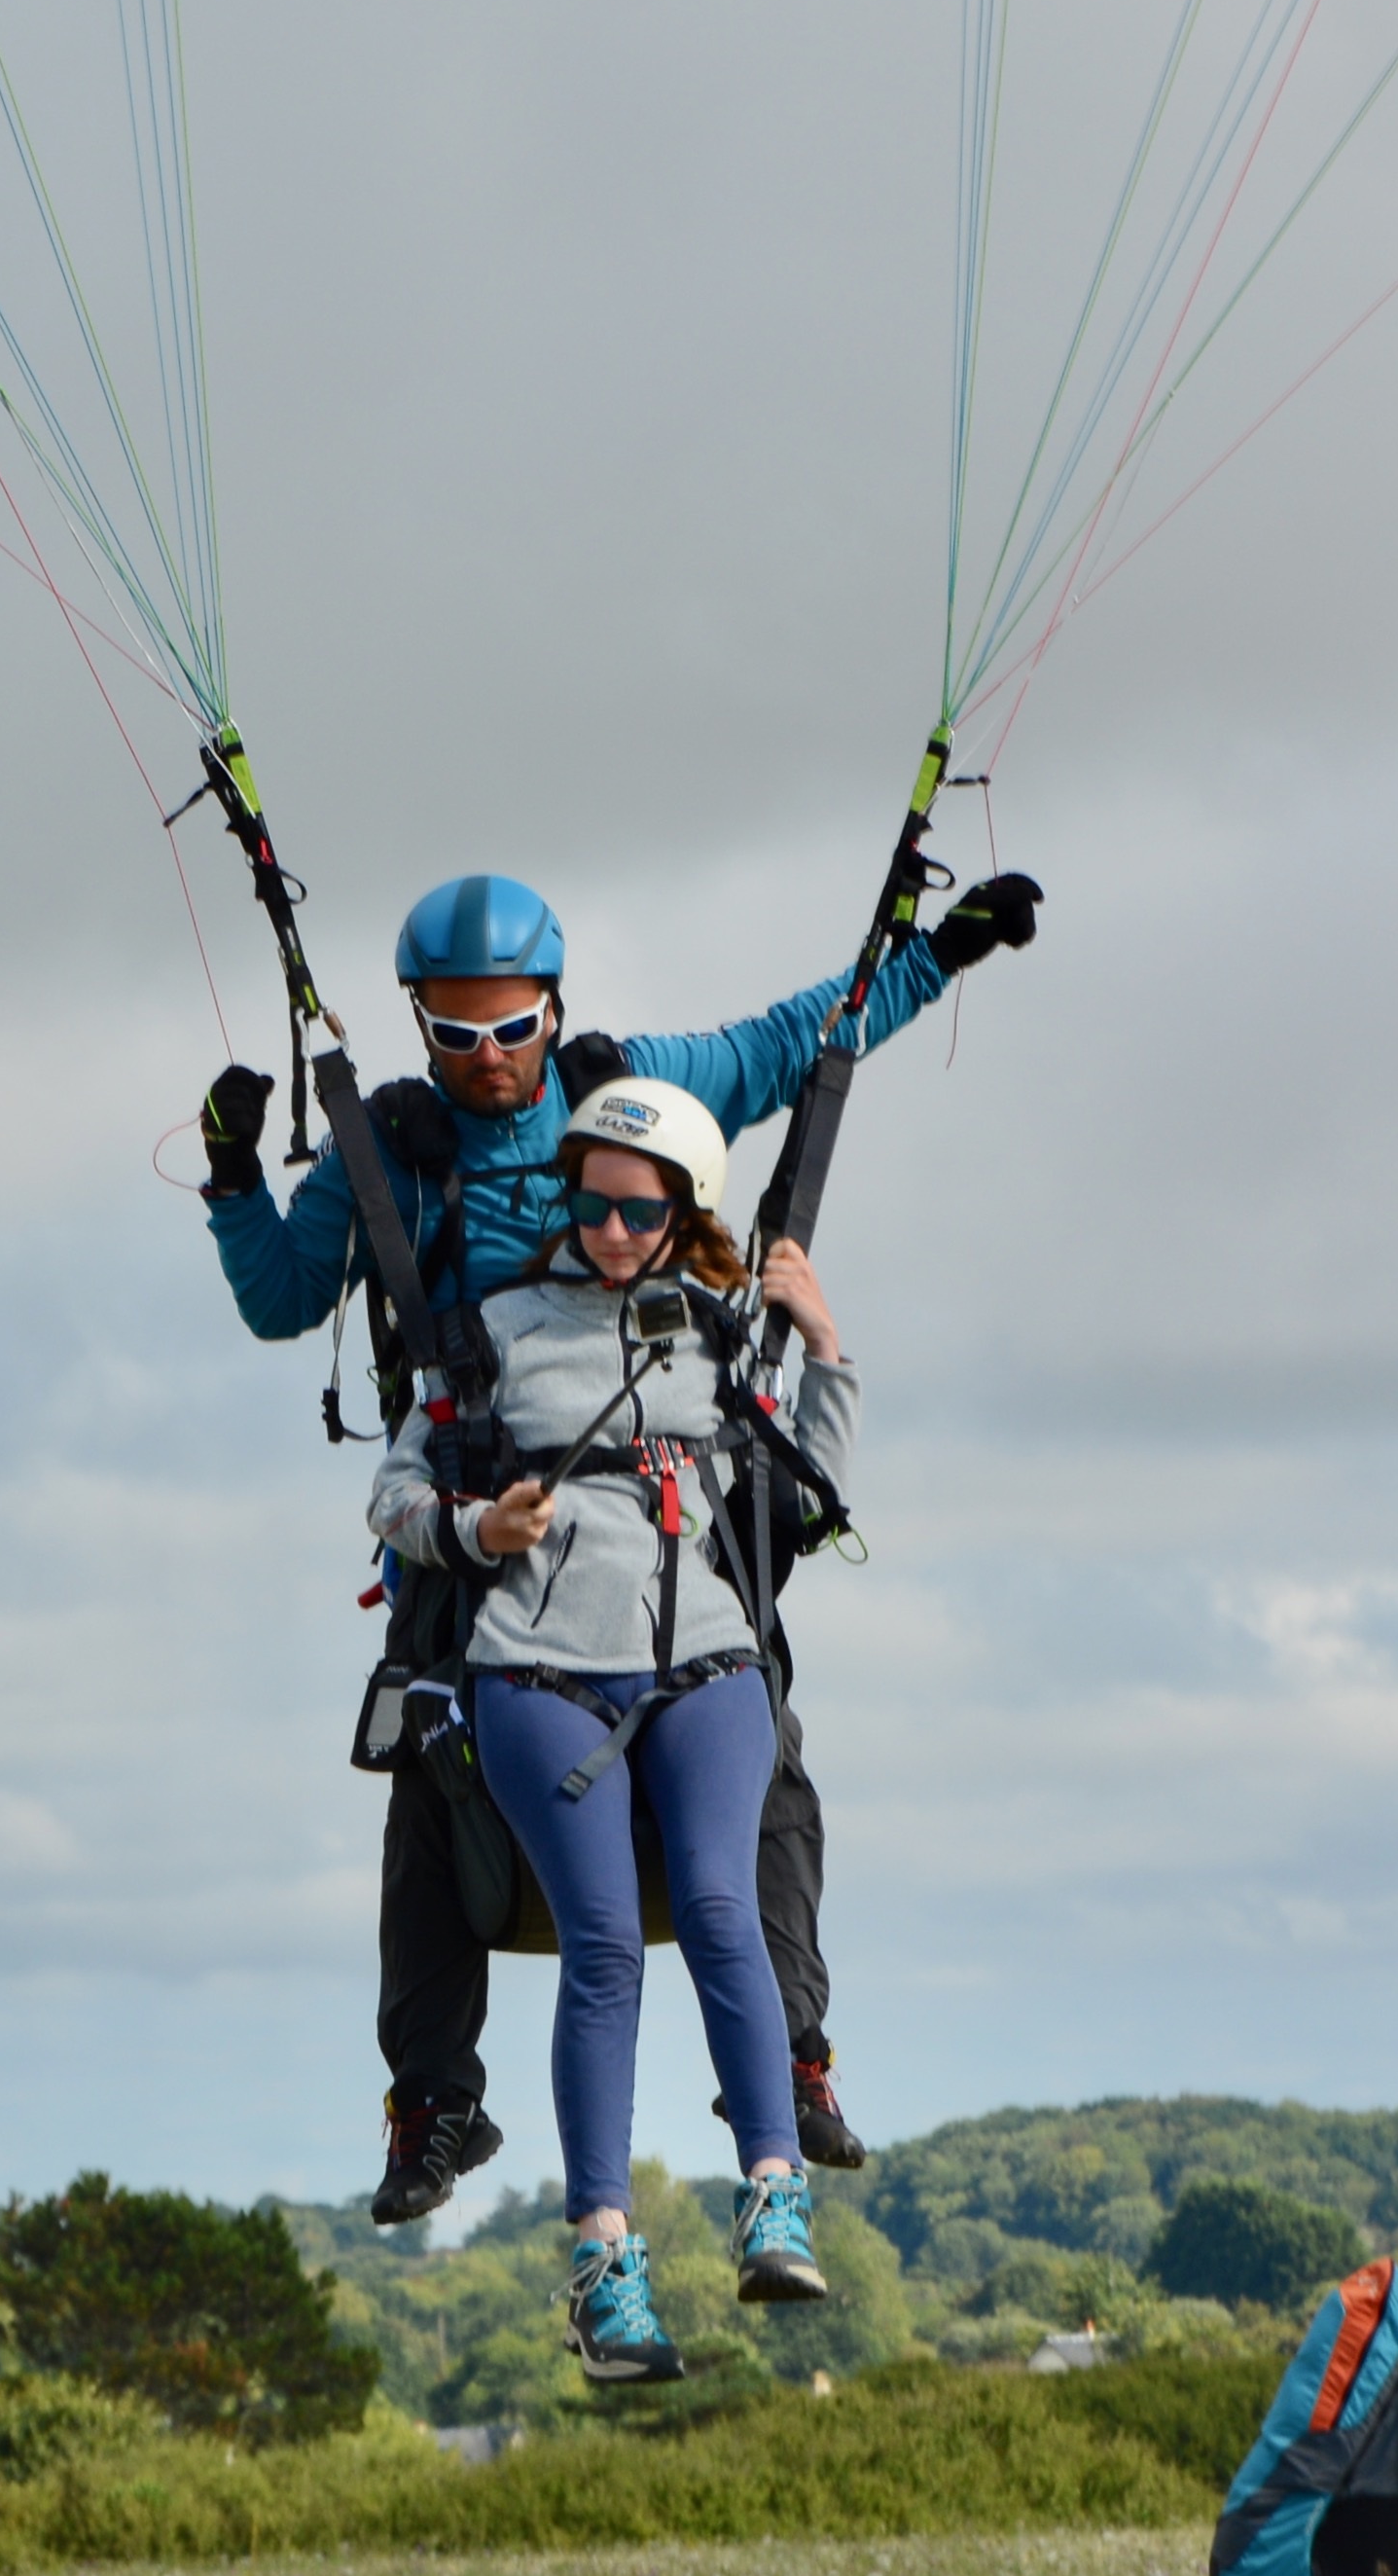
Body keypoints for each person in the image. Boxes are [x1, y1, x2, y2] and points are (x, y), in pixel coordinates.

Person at [198, 863, 1039, 2219]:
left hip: (659, 1496)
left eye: (509, 1026)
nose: (486, 1059)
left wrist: (935, 953)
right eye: (455, 1034)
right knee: (419, 1780)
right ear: (421, 1025)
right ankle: (433, 2104)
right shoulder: (392, 1158)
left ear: (550, 1004)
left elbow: (792, 1043)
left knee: (762, 1749)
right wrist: (236, 1174)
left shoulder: (625, 1093)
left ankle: (795, 2052)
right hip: (483, 1511)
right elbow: (280, 1297)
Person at [366, 1075, 853, 2382]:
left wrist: (826, 1349)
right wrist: (480, 1529)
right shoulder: (491, 1333)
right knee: (600, 1947)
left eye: (636, 1207)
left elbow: (811, 1492)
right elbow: (394, 1495)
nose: (611, 1225)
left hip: (702, 1661)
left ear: (677, 1208)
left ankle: (772, 2195)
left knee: (714, 1902)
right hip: (531, 1669)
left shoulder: (716, 1332)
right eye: (588, 1200)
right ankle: (602, 2268)